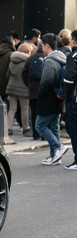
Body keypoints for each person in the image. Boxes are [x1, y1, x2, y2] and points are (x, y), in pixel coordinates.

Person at [37, 33, 67, 165]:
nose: (41, 48)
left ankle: (58, 147)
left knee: (40, 125)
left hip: (48, 97)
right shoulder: (61, 58)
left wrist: (40, 93)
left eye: (42, 45)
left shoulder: (50, 61)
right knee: (54, 127)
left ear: (47, 45)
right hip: (58, 97)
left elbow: (47, 80)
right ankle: (55, 156)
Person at [6, 43, 32, 135]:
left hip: (12, 87)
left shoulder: (12, 61)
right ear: (26, 52)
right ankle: (25, 128)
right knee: (24, 108)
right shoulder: (27, 62)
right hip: (23, 88)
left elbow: (7, 75)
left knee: (12, 108)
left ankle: (8, 128)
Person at [63, 29, 77, 169]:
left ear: (73, 41)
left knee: (74, 129)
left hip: (75, 99)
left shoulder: (73, 56)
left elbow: (69, 79)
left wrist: (66, 97)